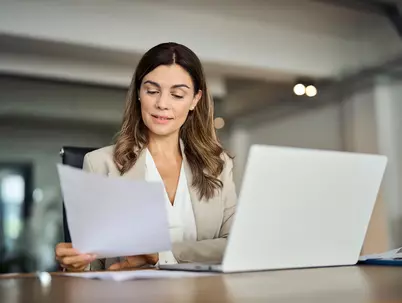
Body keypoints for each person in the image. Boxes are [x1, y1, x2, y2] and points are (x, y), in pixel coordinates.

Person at [55, 42, 237, 271]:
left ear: (195, 100)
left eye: (177, 94)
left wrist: (161, 255)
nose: (162, 104)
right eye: (152, 91)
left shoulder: (218, 165)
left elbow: (235, 246)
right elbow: (93, 267)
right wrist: (75, 265)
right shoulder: (100, 164)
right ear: (139, 94)